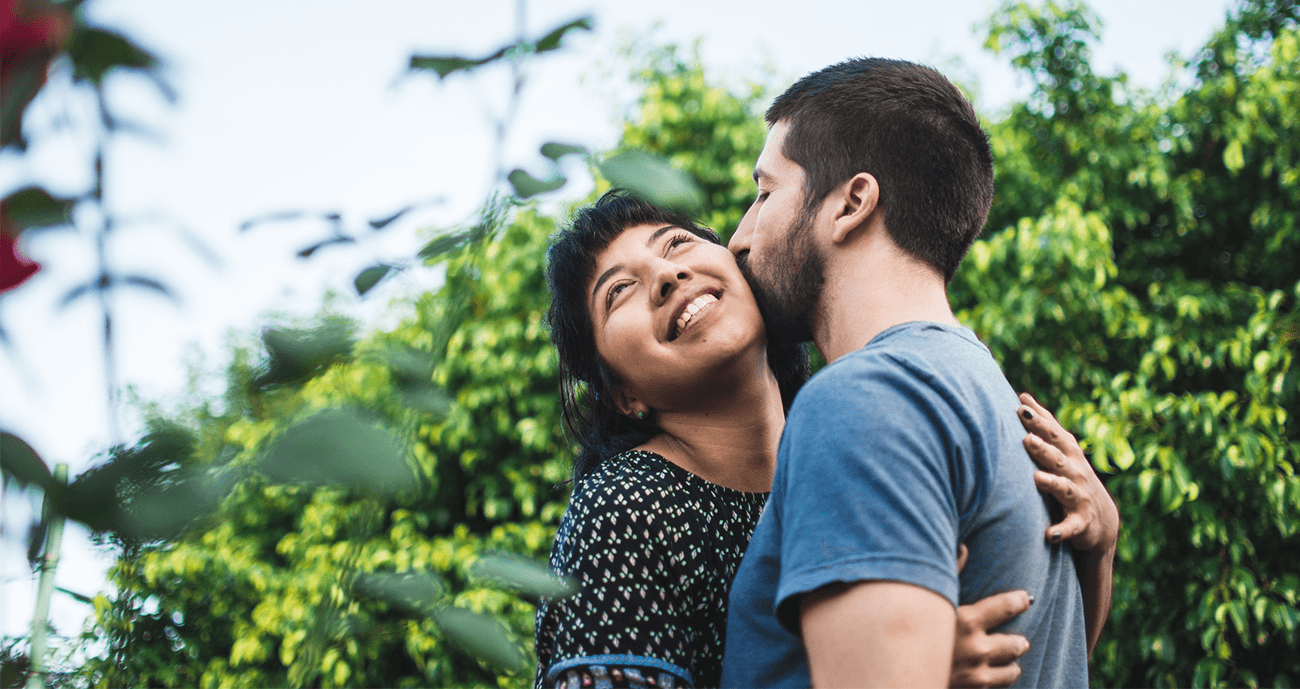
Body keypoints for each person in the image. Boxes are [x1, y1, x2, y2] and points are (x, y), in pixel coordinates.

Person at [534, 191, 1117, 688]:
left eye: (676, 244)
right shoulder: (629, 506)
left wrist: (1098, 548)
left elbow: (1037, 658)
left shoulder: (861, 443)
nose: (666, 276)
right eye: (619, 292)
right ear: (621, 395)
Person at [719, 57, 1118, 688]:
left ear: (851, 203)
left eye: (765, 193)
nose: (739, 237)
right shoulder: (989, 396)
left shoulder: (860, 401)